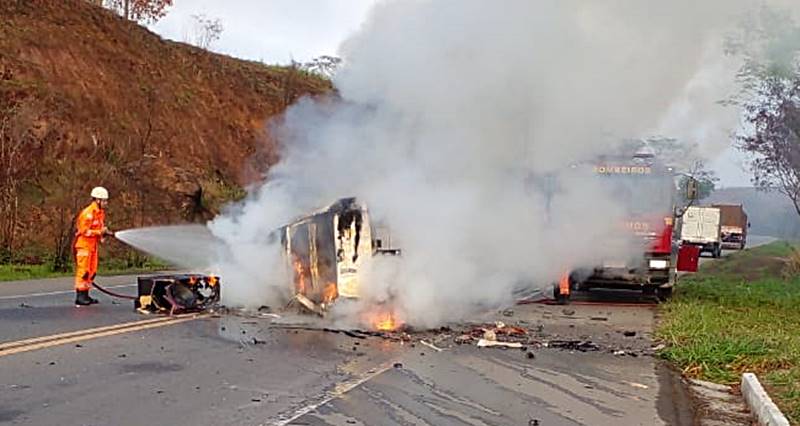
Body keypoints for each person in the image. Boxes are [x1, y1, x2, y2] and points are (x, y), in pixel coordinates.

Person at [73, 187, 114, 306]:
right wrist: (99, 233)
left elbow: (98, 228)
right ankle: (80, 296)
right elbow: (83, 231)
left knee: (92, 271)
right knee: (84, 271)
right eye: (104, 201)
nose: (106, 203)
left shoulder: (100, 213)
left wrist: (102, 236)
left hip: (92, 246)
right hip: (84, 246)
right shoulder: (88, 214)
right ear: (97, 200)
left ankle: (86, 295)